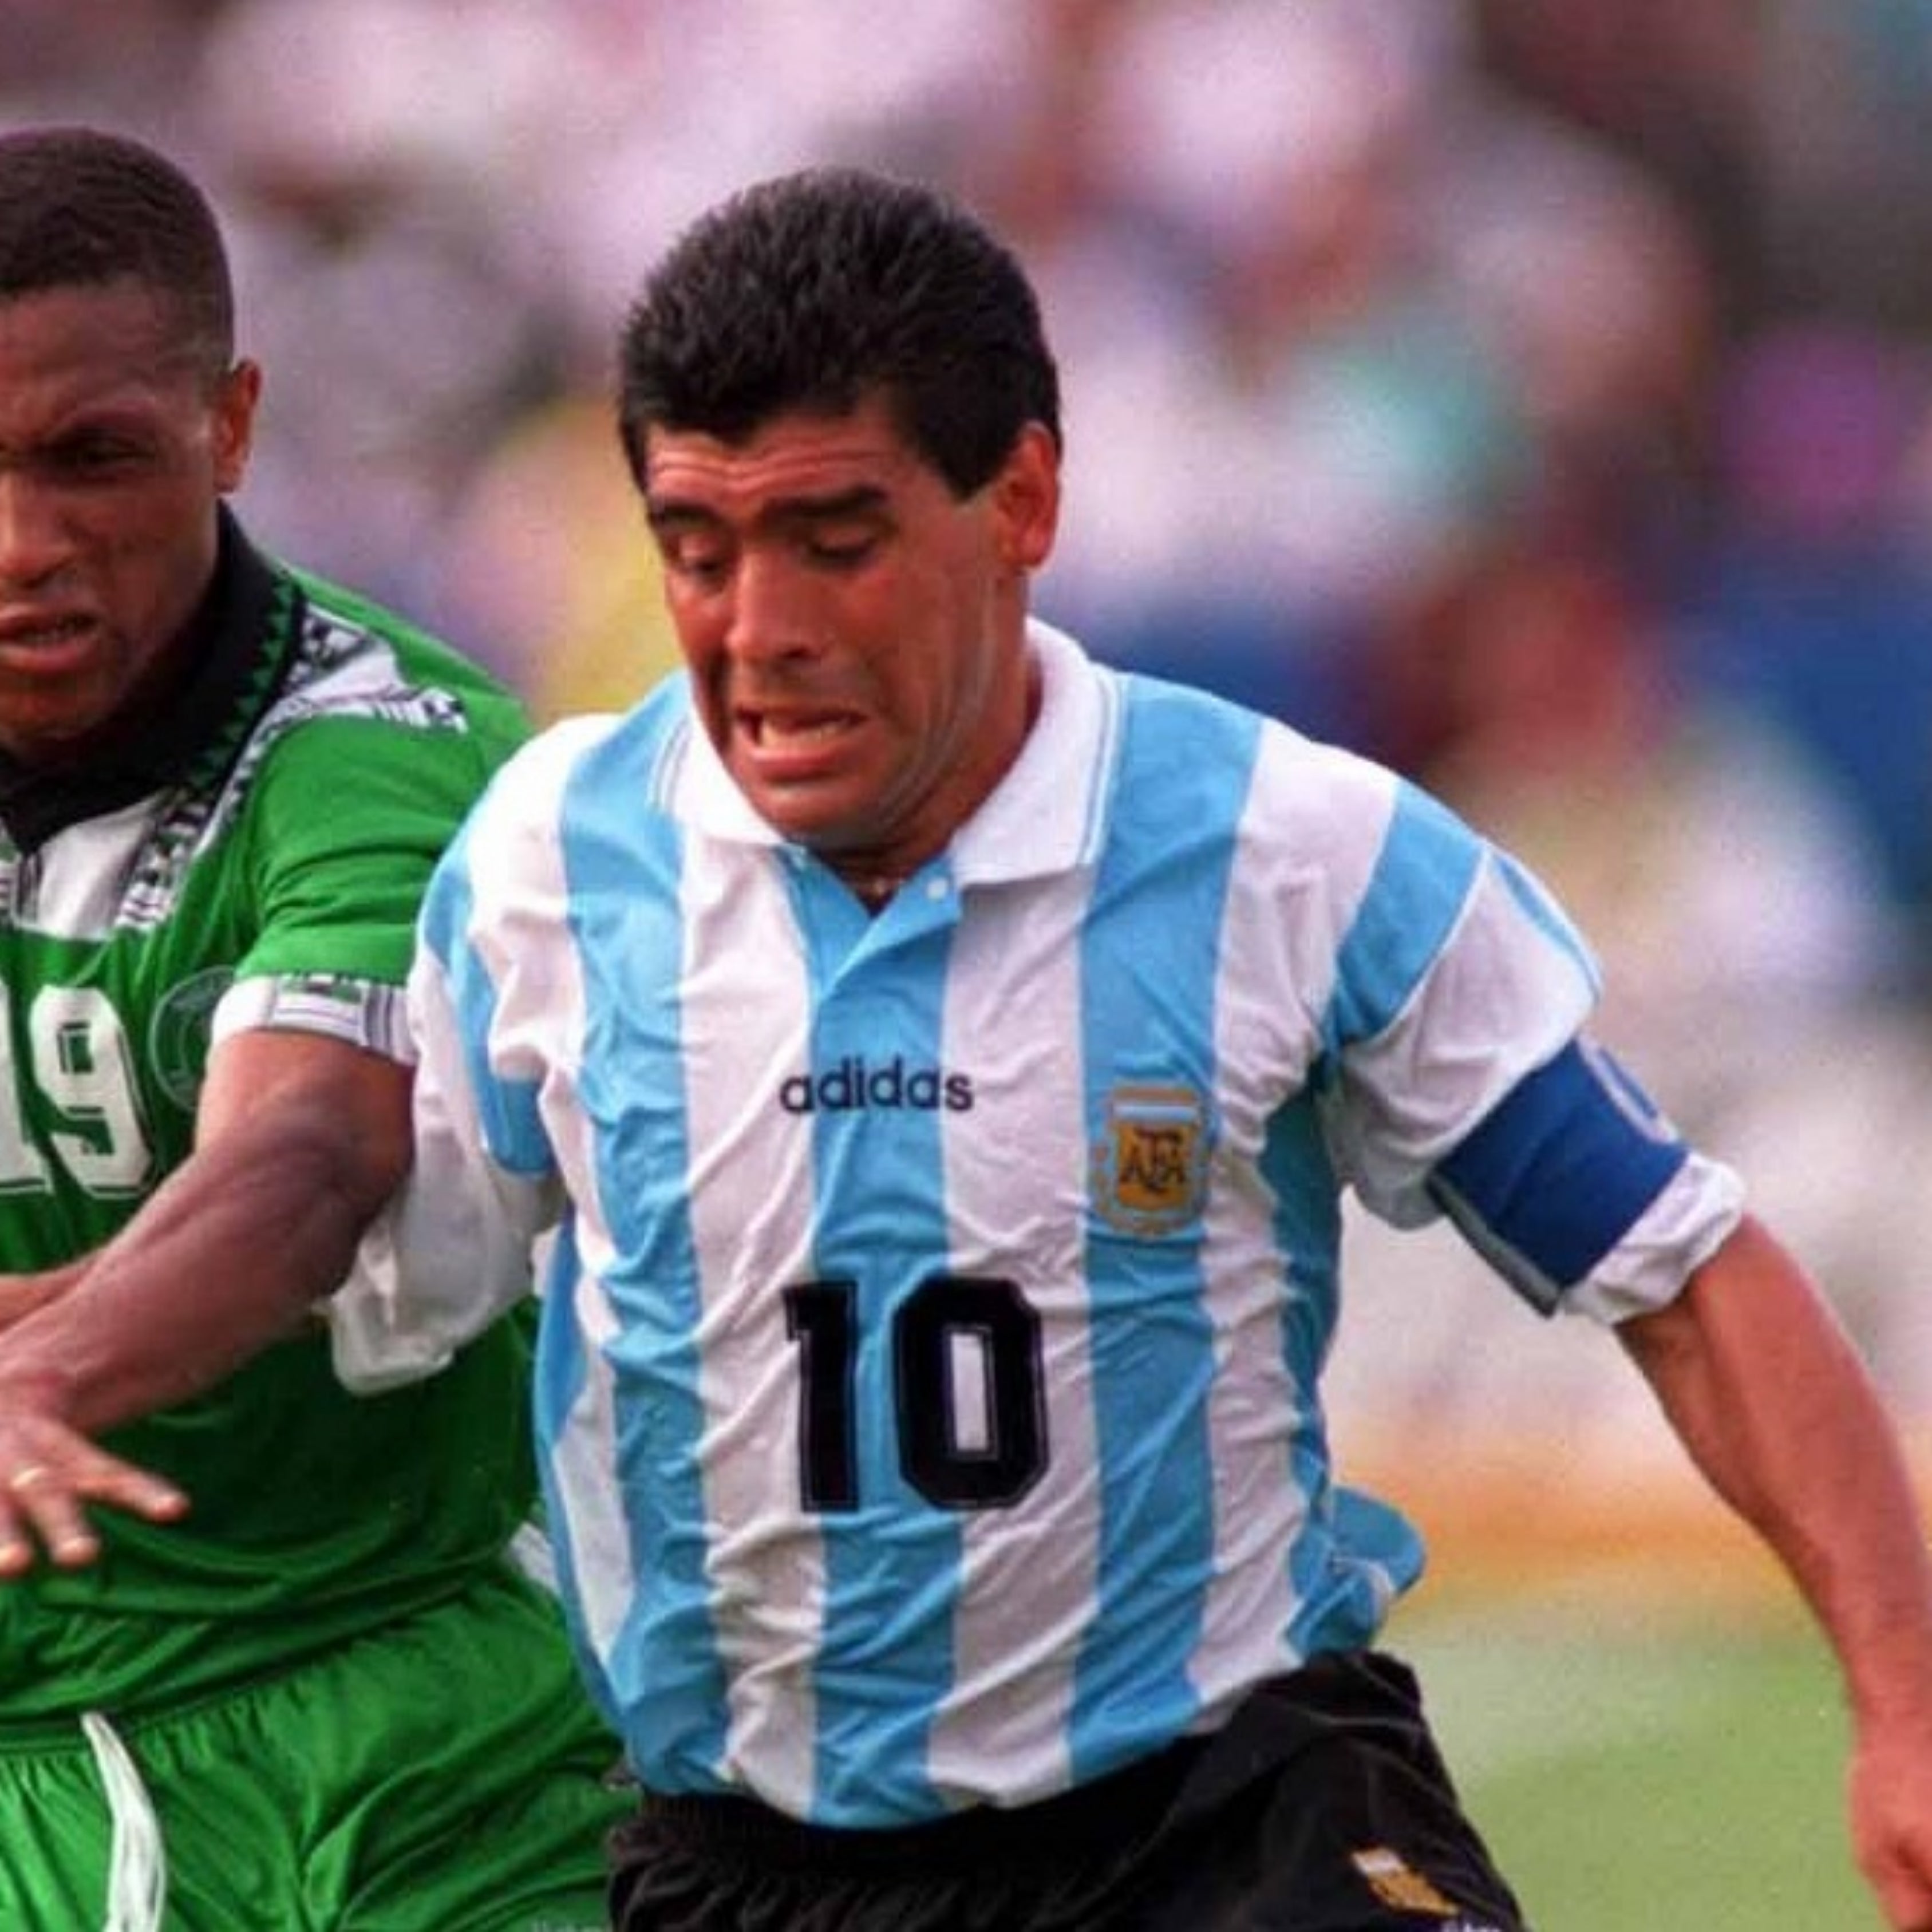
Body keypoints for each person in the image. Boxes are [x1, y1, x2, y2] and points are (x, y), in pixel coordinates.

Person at [331, 166, 1932, 1930]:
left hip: (1223, 1820)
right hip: (750, 1864)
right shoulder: (549, 863)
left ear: (1022, 499)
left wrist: (1911, 1709)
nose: (759, 631)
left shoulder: (1292, 851)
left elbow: (1682, 1272)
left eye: (836, 542)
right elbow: (384, 1312)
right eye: (697, 552)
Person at [0, 127, 626, 1932]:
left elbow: (304, 1159)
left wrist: (43, 1372)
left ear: (232, 424)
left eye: (94, 457)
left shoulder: (385, 758)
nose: (25, 547)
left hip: (421, 1719)